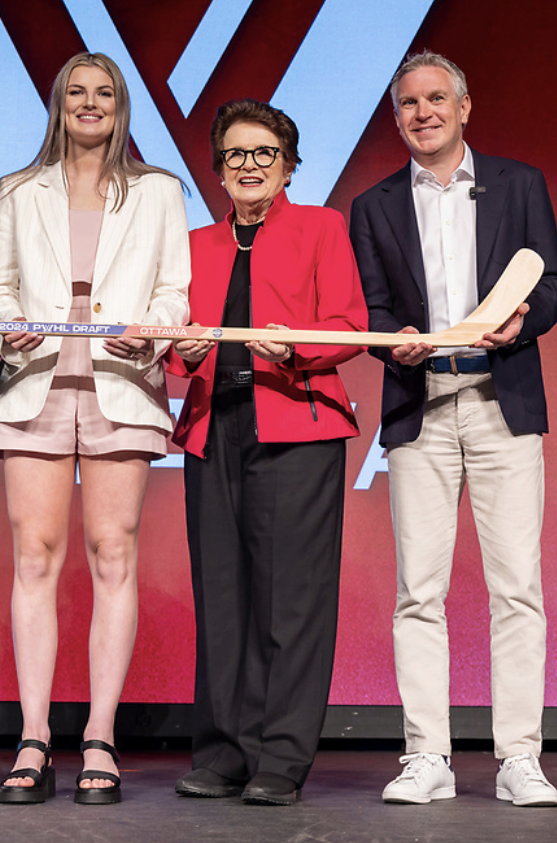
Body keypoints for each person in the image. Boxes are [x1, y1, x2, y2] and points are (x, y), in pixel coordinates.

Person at [348, 52, 557, 807]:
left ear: (465, 106)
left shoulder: (519, 183)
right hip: (422, 405)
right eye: (409, 103)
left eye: (437, 98)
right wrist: (395, 336)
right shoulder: (373, 204)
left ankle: (519, 758)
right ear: (397, 117)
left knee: (516, 588)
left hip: (501, 401)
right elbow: (372, 309)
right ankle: (427, 757)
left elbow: (555, 284)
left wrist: (521, 320)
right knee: (420, 591)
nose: (424, 113)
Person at [0, 51, 189, 805]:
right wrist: (10, 329)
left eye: (104, 93)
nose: (91, 104)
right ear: (59, 103)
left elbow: (174, 289)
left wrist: (155, 331)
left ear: (121, 104)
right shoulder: (15, 188)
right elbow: (0, 289)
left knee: (113, 553)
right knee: (34, 558)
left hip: (122, 386)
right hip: (34, 386)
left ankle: (100, 733)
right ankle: (34, 736)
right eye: (78, 92)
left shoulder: (160, 190)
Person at [167, 99, 367, 806]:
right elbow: (172, 341)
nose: (249, 166)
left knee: (293, 602)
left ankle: (281, 759)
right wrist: (181, 351)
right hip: (214, 426)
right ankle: (223, 753)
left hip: (298, 424)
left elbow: (350, 326)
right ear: (218, 170)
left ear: (288, 165)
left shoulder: (322, 227)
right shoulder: (193, 243)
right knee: (223, 599)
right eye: (235, 155)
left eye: (264, 154)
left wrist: (297, 346)